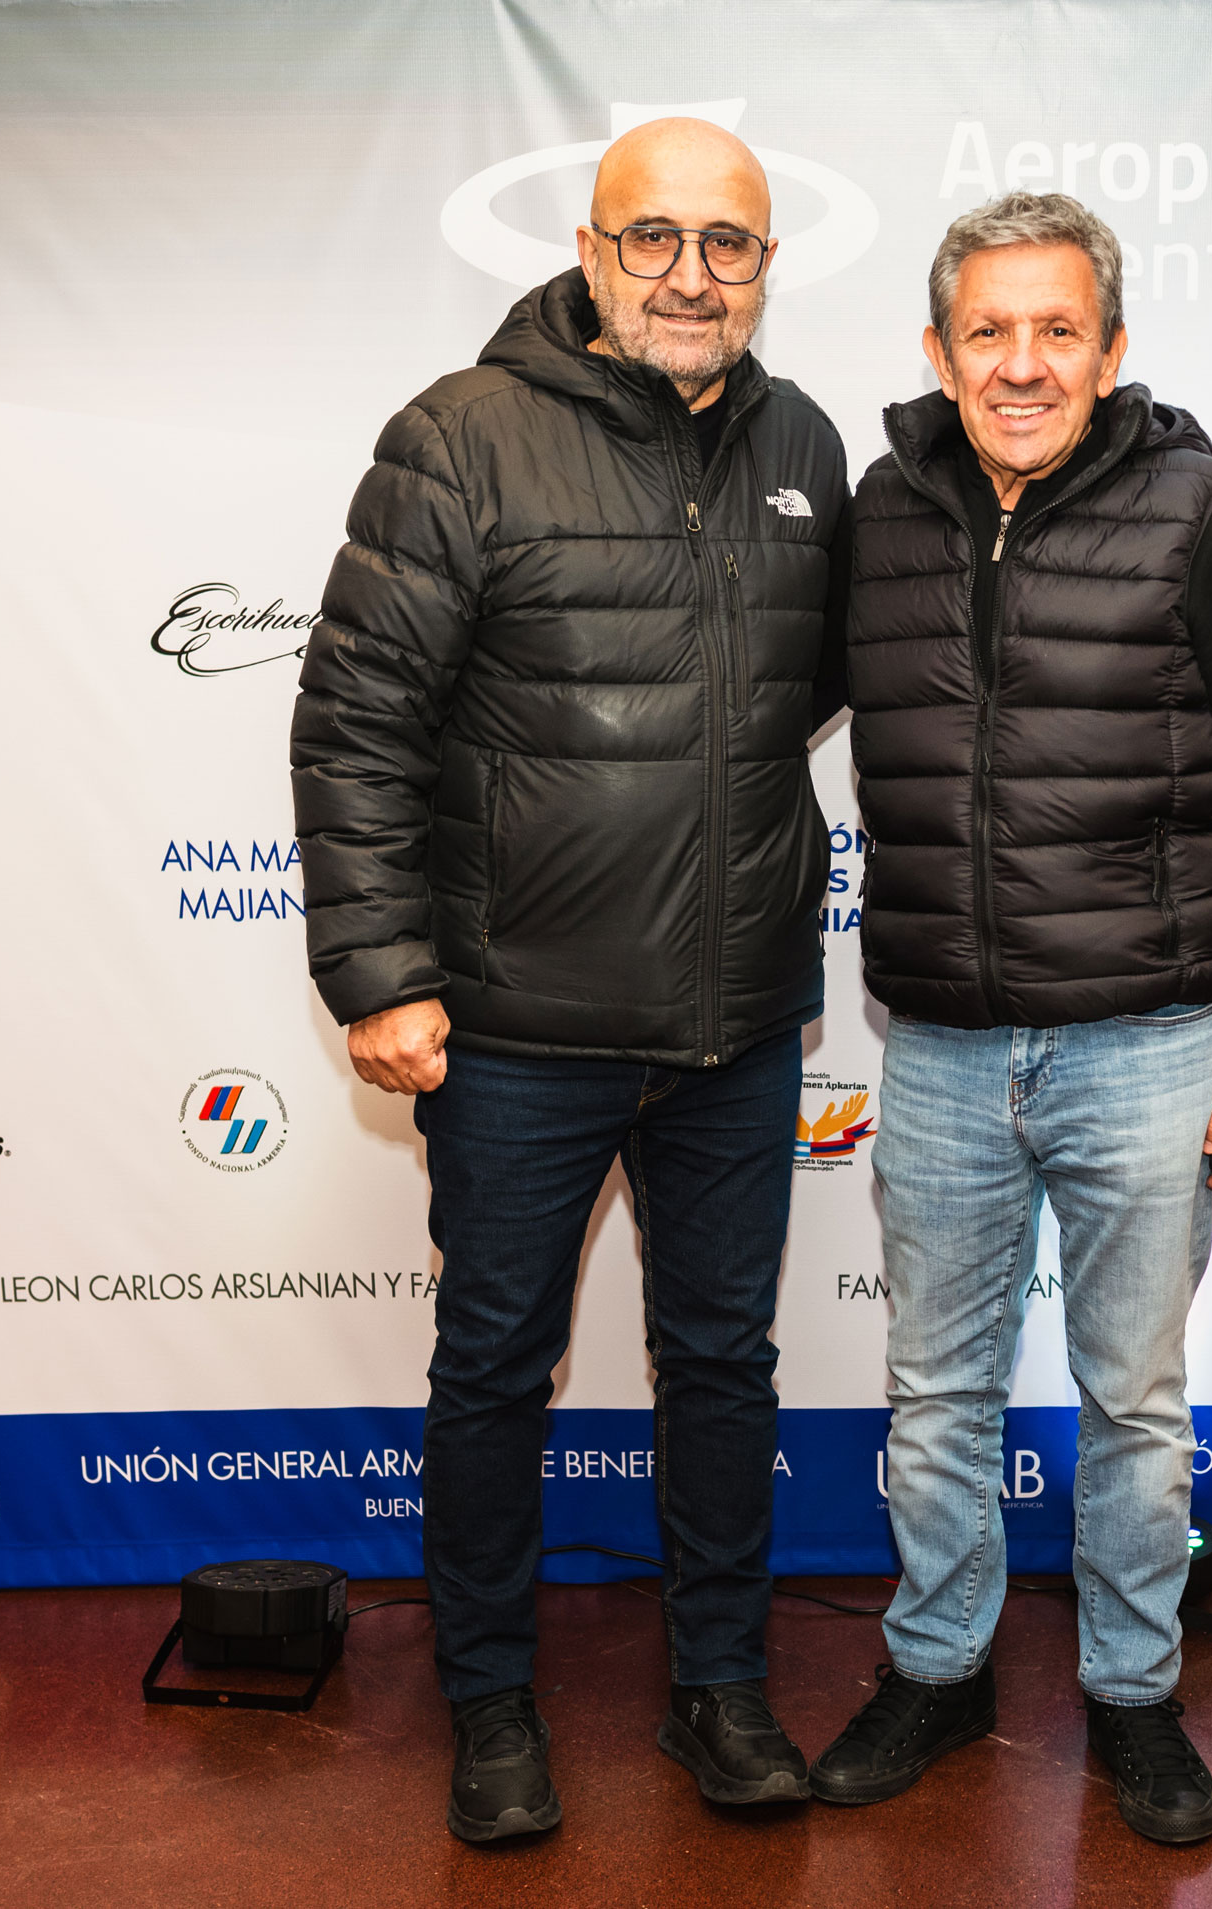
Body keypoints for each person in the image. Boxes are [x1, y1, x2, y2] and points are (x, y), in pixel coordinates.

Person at [289, 116, 849, 1844]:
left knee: (724, 1367)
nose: (690, 274)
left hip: (738, 1024)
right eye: (652, 237)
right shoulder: (460, 438)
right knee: (492, 1371)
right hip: (518, 1030)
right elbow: (357, 721)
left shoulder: (805, 444)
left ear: (767, 265)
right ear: (593, 254)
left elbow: (811, 686)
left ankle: (719, 1687)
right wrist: (380, 971)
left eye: (727, 243)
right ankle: (489, 1702)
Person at [808, 192, 1212, 1845]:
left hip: (1151, 1044)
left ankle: (1133, 1691)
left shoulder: (1203, 517)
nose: (1023, 364)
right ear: (938, 350)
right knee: (936, 1395)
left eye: (1059, 331)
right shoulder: (881, 516)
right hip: (942, 1049)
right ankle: (937, 1667)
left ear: (1111, 353)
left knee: (1133, 1403)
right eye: (989, 331)